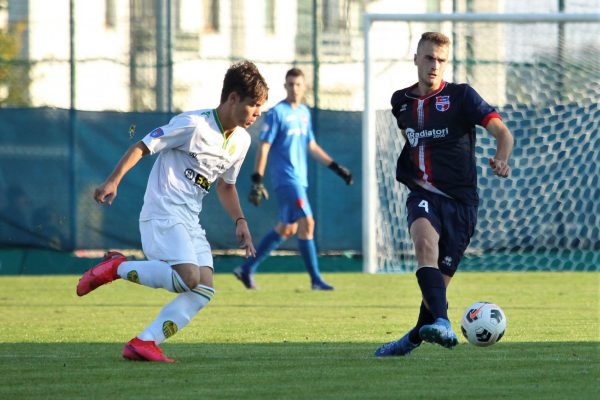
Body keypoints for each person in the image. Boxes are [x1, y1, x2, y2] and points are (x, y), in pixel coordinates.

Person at [76, 60, 269, 362]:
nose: (257, 113)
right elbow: (142, 146)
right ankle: (117, 268)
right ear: (233, 98)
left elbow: (226, 187)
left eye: (261, 107)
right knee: (188, 278)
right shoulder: (193, 124)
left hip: (189, 220)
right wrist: (112, 181)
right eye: (253, 105)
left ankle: (144, 342)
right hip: (163, 212)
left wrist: (240, 220)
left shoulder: (241, 141)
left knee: (203, 290)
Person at [374, 32, 514, 357]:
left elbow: (502, 132)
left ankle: (410, 340)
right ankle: (444, 322)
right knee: (424, 245)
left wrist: (502, 157)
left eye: (440, 60)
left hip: (462, 204)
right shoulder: (401, 102)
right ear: (416, 59)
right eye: (428, 58)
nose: (434, 65)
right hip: (422, 193)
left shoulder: (462, 97)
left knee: (434, 290)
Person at [233, 67, 352, 291]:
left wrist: (336, 167)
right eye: (290, 84)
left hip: (300, 180)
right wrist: (257, 178)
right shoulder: (277, 113)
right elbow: (265, 145)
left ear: (304, 86)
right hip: (286, 179)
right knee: (308, 222)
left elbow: (312, 146)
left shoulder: (304, 113)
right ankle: (316, 280)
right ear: (285, 86)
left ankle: (247, 268)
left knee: (286, 229)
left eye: (298, 84)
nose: (294, 88)